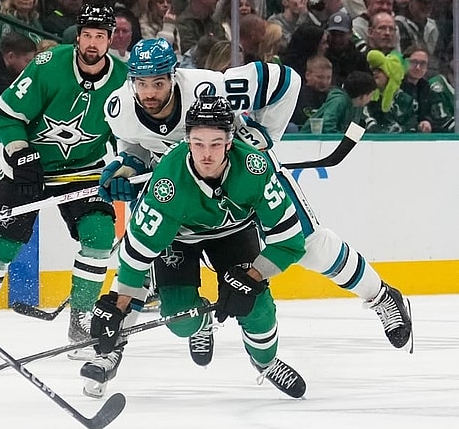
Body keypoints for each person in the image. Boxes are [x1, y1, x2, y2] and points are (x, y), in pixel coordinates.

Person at [96, 38, 412, 381]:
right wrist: (127, 165)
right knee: (144, 252)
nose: (150, 93)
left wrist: (264, 136)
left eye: (159, 82)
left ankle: (381, 295)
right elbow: (135, 145)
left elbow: (285, 80)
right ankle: (118, 347)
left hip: (243, 171)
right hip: (182, 184)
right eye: (141, 83)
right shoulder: (120, 109)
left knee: (308, 244)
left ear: (174, 75)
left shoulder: (210, 88)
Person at [84, 95, 308, 399]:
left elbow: (290, 240)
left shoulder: (255, 168)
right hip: (179, 239)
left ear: (230, 142)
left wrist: (253, 276)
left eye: (216, 144)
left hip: (234, 233)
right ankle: (201, 321)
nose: (206, 154)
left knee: (256, 307)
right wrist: (119, 304)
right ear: (187, 140)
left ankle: (265, 363)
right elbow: (138, 253)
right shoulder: (168, 182)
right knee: (179, 320)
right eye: (198, 143)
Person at [0, 4, 128, 360]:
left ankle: (81, 320)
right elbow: (7, 115)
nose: (92, 43)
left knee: (100, 237)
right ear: (78, 36)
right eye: (87, 35)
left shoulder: (124, 79)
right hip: (29, 168)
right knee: (1, 247)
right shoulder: (49, 66)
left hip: (84, 169)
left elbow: (127, 132)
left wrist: (125, 164)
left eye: (100, 36)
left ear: (110, 40)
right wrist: (20, 152)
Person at [300, 70, 376, 133]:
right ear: (363, 96)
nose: (371, 99)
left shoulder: (357, 107)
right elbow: (327, 125)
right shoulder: (339, 101)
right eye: (371, 95)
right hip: (308, 140)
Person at [291, 55, 333, 127]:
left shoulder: (332, 98)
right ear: (307, 75)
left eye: (328, 78)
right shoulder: (297, 95)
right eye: (320, 77)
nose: (324, 82)